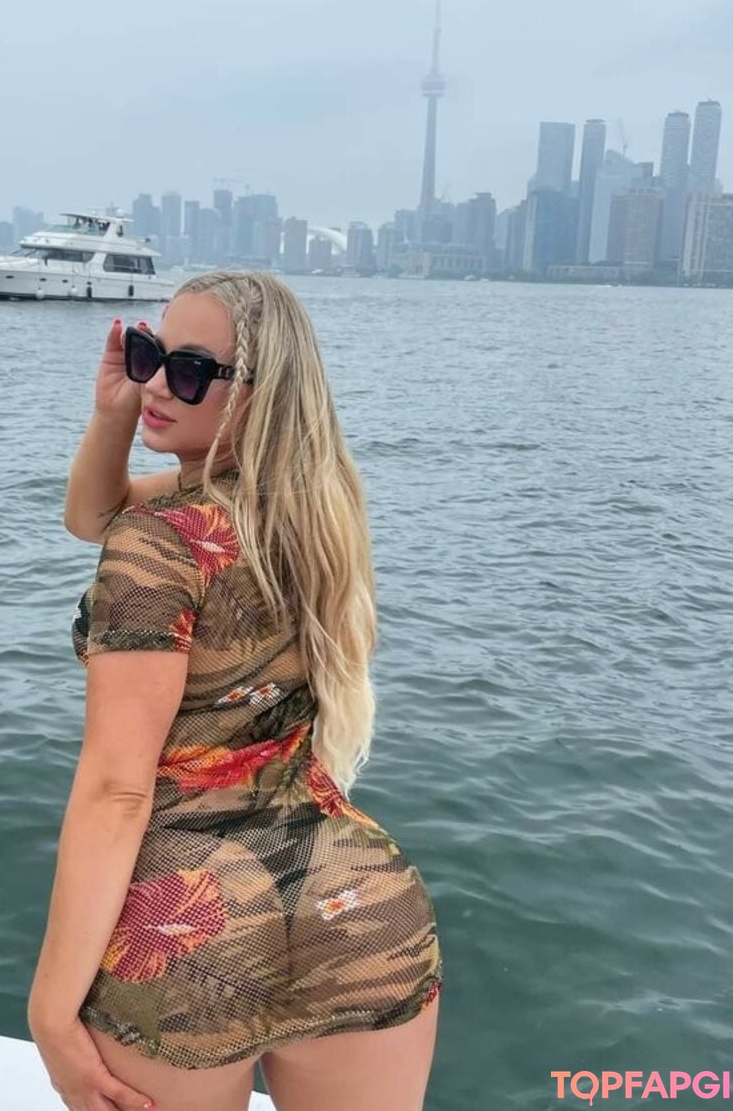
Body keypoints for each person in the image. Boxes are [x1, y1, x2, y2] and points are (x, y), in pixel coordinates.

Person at [28, 270, 441, 1111]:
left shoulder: (158, 544)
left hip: (190, 928)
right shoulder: (312, 509)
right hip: (359, 901)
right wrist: (114, 414)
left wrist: (48, 1010)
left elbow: (116, 792)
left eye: (188, 370)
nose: (154, 382)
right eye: (148, 354)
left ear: (260, 391)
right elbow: (92, 514)